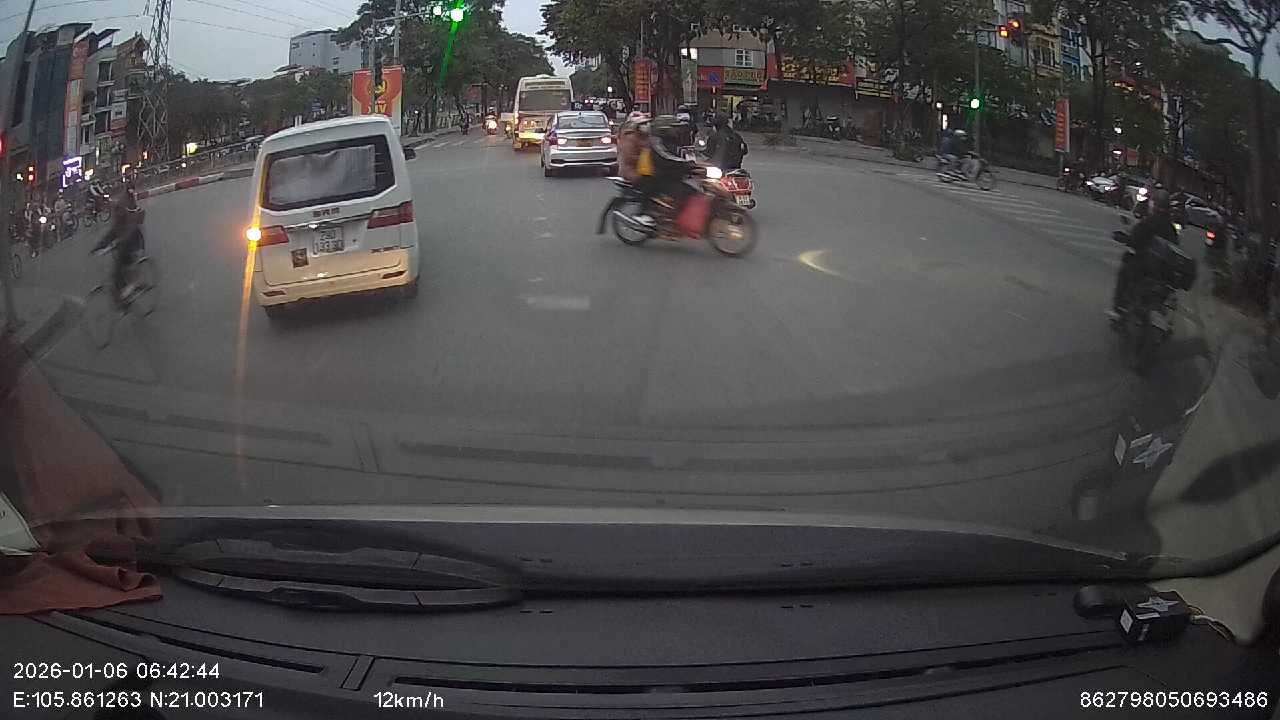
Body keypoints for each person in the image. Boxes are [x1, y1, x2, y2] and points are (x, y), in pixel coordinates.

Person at [1111, 188, 1178, 321]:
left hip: (1145, 266)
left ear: (1155, 204)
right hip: (1162, 272)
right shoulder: (1171, 227)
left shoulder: (1150, 221)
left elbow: (1135, 237)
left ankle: (1119, 308)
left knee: (1125, 270)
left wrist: (1125, 238)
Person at [92, 180, 146, 305]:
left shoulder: (125, 204)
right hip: (128, 240)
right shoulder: (125, 203)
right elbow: (114, 231)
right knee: (120, 270)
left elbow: (127, 227)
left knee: (119, 269)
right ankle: (126, 292)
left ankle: (130, 291)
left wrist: (116, 242)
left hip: (133, 241)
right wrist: (100, 246)